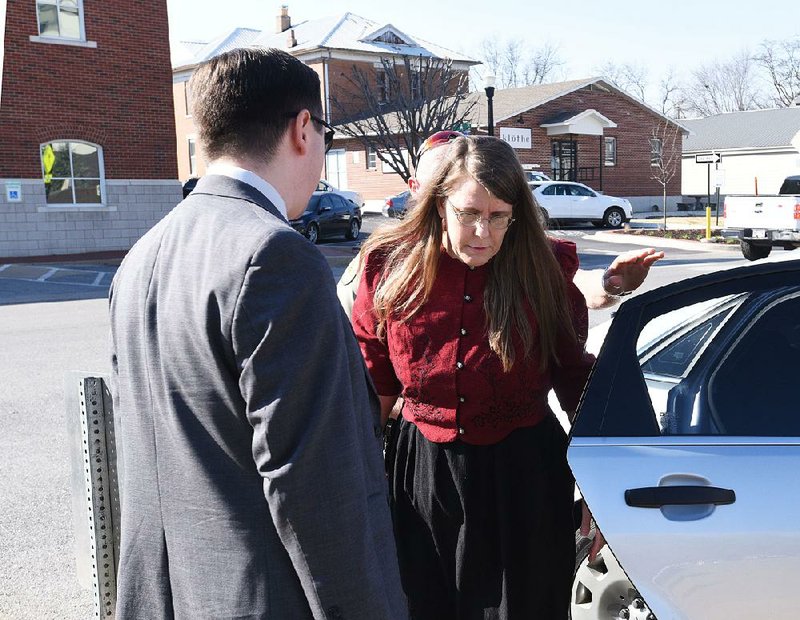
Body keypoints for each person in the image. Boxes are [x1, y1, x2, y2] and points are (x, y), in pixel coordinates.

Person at [109, 48, 407, 620]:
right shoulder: (273, 255)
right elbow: (314, 483)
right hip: (265, 596)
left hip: (172, 592)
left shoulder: (141, 256)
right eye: (323, 134)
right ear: (302, 129)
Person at [351, 135, 596, 619]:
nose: (483, 232)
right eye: (469, 213)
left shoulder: (542, 274)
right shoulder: (390, 267)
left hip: (523, 482)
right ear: (440, 203)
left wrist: (601, 481)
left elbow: (575, 378)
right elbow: (374, 385)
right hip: (421, 478)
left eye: (499, 216)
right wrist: (354, 481)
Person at [336, 130, 663, 317]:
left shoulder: (511, 243)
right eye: (440, 185)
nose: (481, 229)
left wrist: (611, 283)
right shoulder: (383, 260)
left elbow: (571, 284)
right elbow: (351, 344)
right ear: (420, 192)